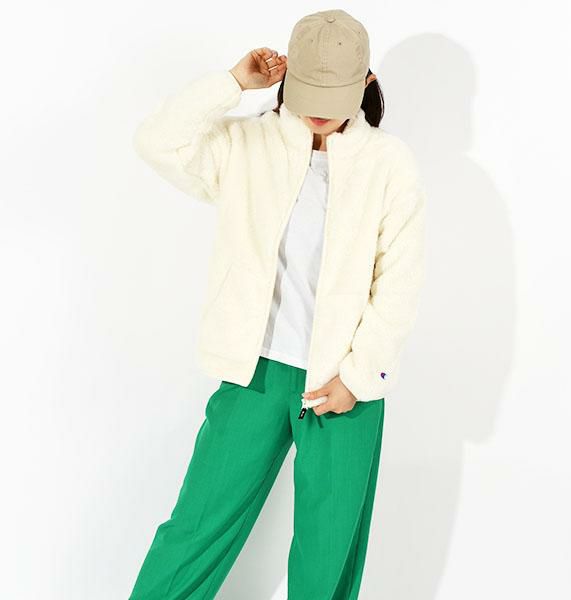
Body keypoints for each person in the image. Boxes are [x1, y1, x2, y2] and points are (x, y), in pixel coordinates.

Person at [128, 9, 425, 600]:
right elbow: (157, 142)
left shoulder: (388, 164)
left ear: (365, 83)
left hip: (342, 385)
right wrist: (232, 84)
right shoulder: (248, 144)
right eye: (309, 90)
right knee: (194, 533)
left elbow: (399, 281)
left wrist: (358, 378)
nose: (318, 109)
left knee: (325, 559)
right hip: (255, 373)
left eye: (334, 95)